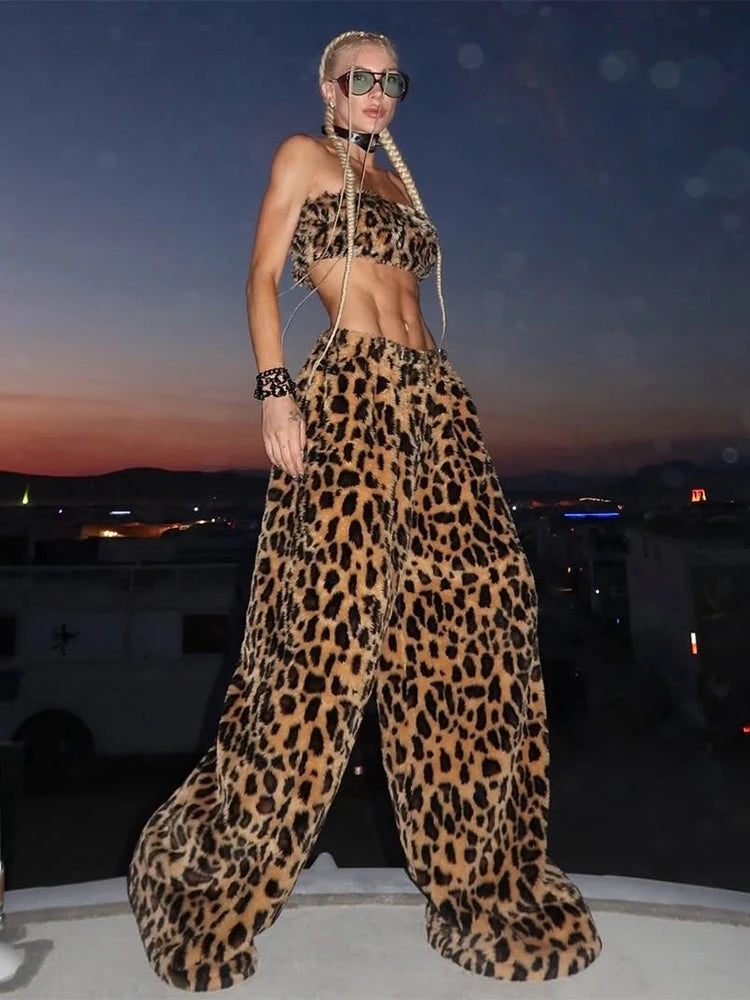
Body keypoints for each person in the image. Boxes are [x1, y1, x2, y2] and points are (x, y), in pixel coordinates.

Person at [127, 29, 603, 992]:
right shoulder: (304, 158)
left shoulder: (396, 184)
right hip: (349, 399)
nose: (377, 92)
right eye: (360, 79)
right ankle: (215, 869)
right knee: (322, 645)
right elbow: (260, 277)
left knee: (484, 618)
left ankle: (479, 881)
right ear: (329, 86)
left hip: (437, 404)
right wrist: (275, 390)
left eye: (391, 80)